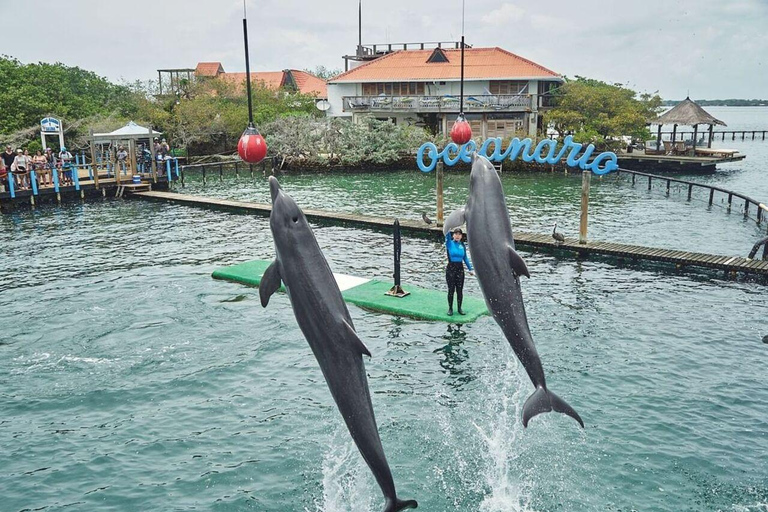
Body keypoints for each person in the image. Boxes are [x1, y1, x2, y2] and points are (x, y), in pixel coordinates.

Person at [445, 227, 474, 316]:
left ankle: (459, 308)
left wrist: (470, 269)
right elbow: (446, 233)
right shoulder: (449, 243)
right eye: (456, 234)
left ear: (461, 236)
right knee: (451, 289)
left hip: (460, 269)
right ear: (453, 235)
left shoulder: (462, 246)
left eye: (459, 234)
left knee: (459, 290)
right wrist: (449, 227)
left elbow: (465, 258)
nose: (457, 236)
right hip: (451, 268)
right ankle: (450, 308)